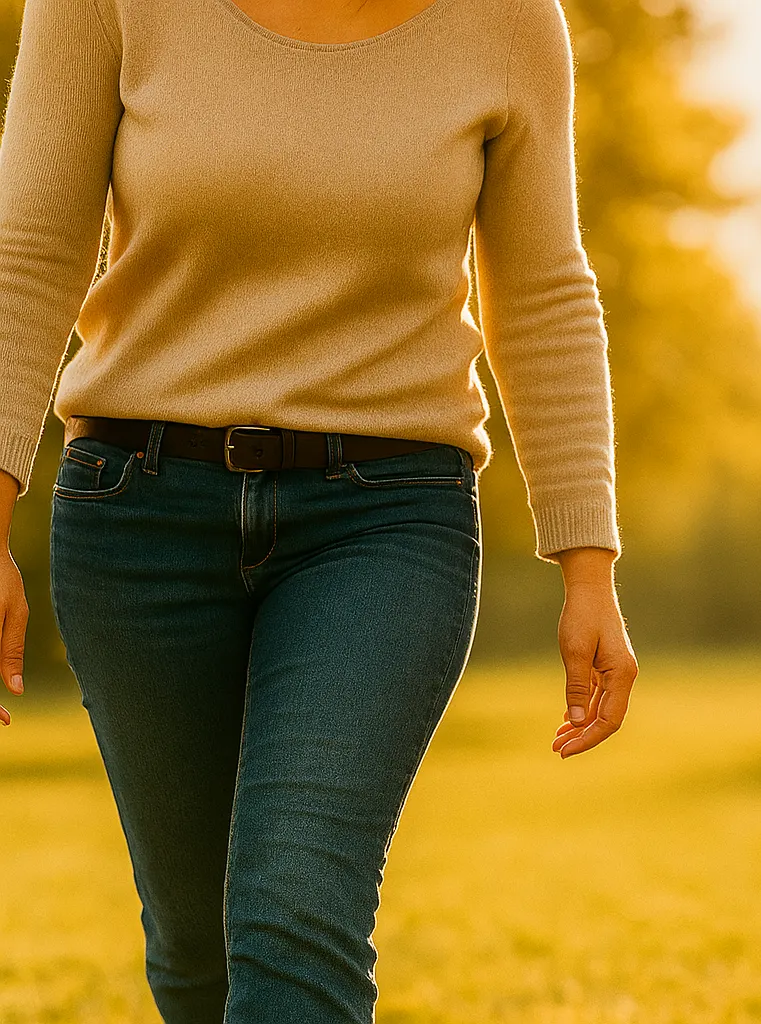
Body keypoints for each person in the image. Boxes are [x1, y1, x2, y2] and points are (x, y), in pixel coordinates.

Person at [0, 0, 639, 1019]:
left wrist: (588, 560)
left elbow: (544, 286)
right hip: (140, 508)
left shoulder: (509, 21)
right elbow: (29, 246)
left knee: (296, 909)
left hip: (386, 519)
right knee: (196, 942)